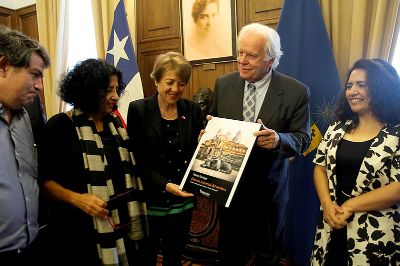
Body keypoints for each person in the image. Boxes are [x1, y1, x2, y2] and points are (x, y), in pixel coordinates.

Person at [210, 22, 311, 265]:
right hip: (229, 188)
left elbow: (302, 139)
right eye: (240, 53)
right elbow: (215, 123)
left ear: (270, 59)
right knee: (230, 253)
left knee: (267, 255)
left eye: (252, 55)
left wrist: (278, 140)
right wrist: (208, 133)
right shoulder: (223, 84)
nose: (242, 60)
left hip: (268, 191)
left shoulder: (296, 91)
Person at [38, 59, 148, 265]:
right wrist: (77, 199)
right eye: (108, 90)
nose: (116, 96)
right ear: (88, 90)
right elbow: (44, 181)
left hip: (122, 224)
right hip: (79, 231)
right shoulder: (60, 126)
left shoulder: (116, 125)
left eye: (117, 89)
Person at [311, 59, 400, 265]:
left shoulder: (396, 133)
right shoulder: (336, 128)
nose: (352, 91)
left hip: (376, 234)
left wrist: (350, 205)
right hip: (331, 223)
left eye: (362, 85)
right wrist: (327, 204)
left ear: (381, 89)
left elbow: (397, 187)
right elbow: (320, 168)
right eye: (349, 86)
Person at [127, 52, 203, 266]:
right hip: (151, 199)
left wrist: (206, 140)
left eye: (182, 83)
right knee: (146, 256)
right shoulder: (138, 110)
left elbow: (197, 152)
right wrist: (165, 184)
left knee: (174, 256)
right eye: (170, 82)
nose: (176, 89)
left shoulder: (193, 109)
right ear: (157, 79)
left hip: (183, 201)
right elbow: (136, 159)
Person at [0, 26, 50, 265]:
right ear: (3, 67)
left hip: (32, 245)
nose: (40, 85)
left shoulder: (27, 114)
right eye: (34, 74)